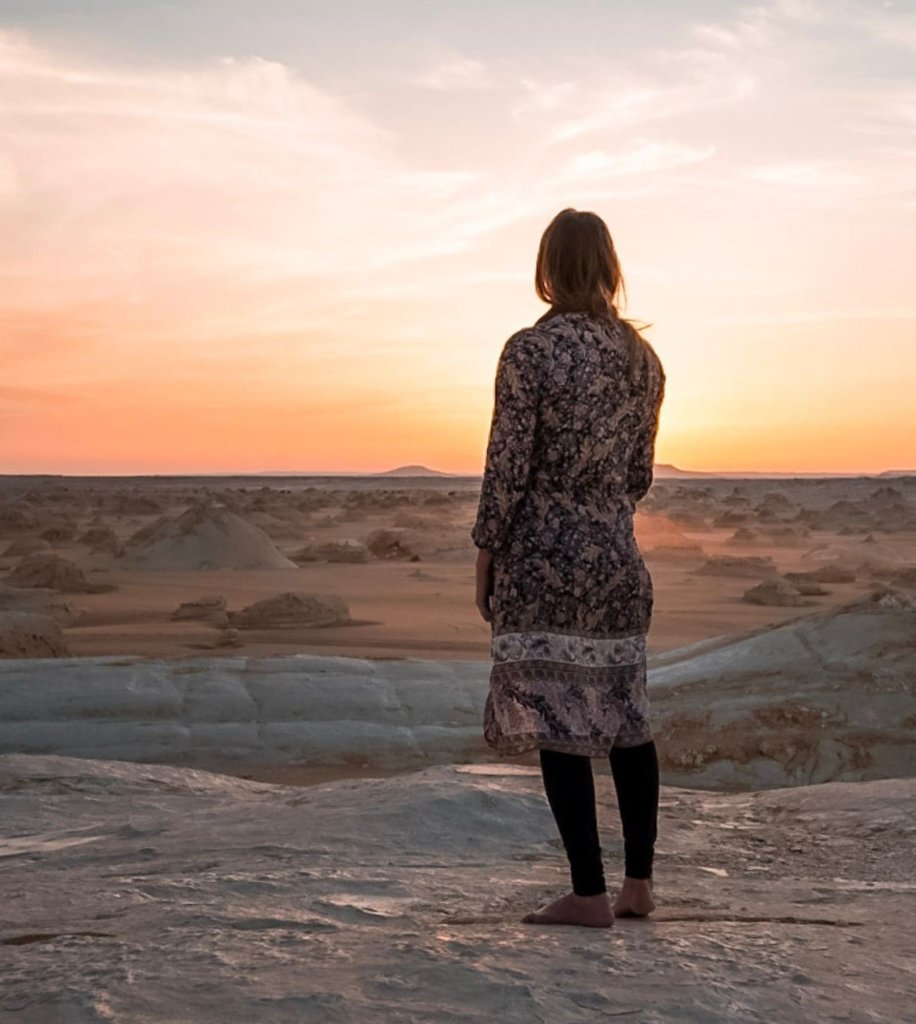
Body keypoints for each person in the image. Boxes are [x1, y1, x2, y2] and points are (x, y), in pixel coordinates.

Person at [470, 208, 666, 928]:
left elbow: (507, 467)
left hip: (545, 558)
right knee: (626, 713)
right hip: (616, 556)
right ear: (609, 266)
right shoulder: (643, 361)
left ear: (549, 267)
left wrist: (489, 548)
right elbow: (639, 474)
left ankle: (588, 893)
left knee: (560, 715)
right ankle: (638, 885)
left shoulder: (529, 352)